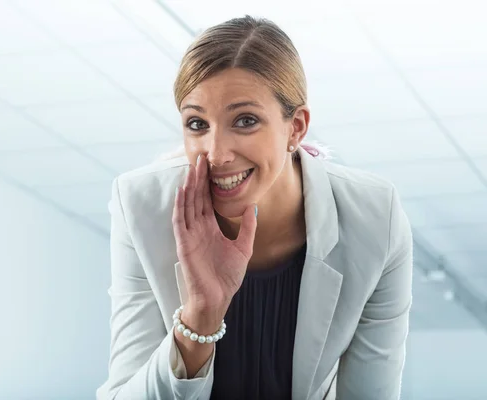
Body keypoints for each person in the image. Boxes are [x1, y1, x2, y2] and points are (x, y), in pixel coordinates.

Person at [96, 15, 413, 400]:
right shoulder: (143, 208)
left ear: (295, 127)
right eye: (197, 124)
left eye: (245, 121)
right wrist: (200, 317)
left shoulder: (376, 218)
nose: (216, 154)